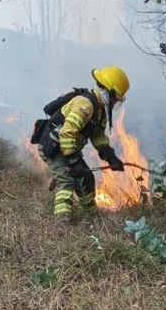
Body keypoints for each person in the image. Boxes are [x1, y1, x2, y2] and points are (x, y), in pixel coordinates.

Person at [37, 66, 130, 222]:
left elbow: (98, 135)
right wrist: (74, 162)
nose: (114, 103)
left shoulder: (99, 110)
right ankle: (62, 222)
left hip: (67, 148)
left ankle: (91, 215)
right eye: (115, 99)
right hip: (53, 148)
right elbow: (66, 133)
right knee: (67, 181)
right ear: (108, 92)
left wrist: (109, 155)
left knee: (86, 178)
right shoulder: (85, 105)